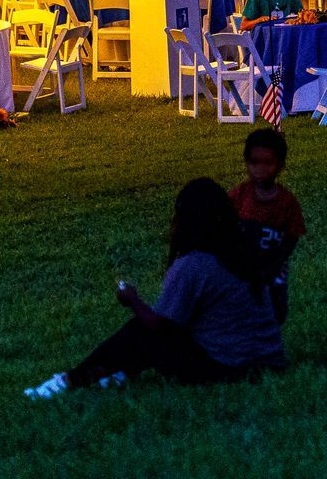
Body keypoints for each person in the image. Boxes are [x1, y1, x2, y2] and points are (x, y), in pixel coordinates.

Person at [24, 178, 286, 397]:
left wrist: (132, 300)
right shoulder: (243, 253)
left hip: (228, 368)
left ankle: (70, 381)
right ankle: (116, 373)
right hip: (268, 361)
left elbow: (161, 327)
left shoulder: (194, 265)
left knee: (140, 331)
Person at [228, 128, 305, 323]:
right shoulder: (239, 196)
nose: (260, 169)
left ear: (281, 165)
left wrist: (272, 265)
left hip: (274, 272)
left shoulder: (287, 202)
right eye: (254, 162)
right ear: (246, 162)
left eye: (267, 163)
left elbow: (291, 238)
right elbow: (226, 229)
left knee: (273, 313)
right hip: (242, 271)